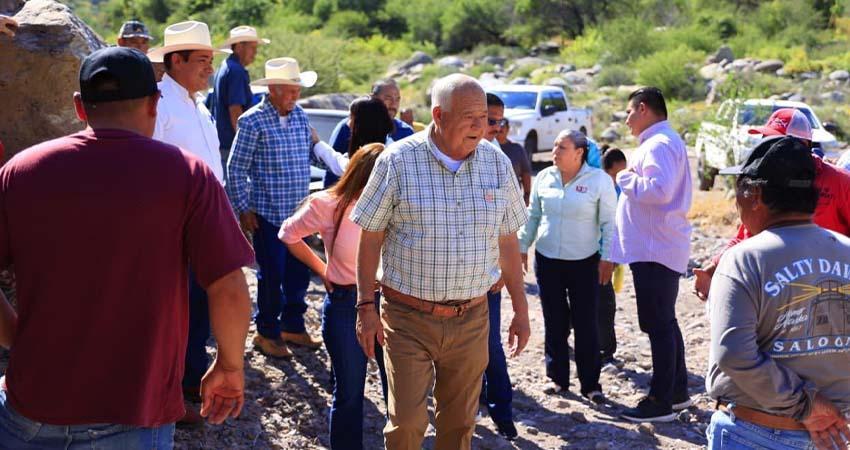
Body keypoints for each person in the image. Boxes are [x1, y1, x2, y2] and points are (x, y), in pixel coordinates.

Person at [0, 47, 254, 448]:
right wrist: (230, 365)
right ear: (155, 104)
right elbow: (228, 286)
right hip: (136, 413)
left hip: (32, 408)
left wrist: (20, 340)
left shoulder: (21, 171)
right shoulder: (188, 175)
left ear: (80, 108)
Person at [352, 74, 530, 450]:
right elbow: (369, 239)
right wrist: (365, 306)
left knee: (460, 423)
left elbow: (508, 241)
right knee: (408, 423)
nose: (480, 126)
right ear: (439, 115)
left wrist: (521, 309)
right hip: (407, 318)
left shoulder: (496, 163)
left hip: (472, 319)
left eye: (485, 118)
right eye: (470, 117)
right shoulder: (398, 162)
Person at [706, 136, 850, 450]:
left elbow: (734, 354)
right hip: (835, 437)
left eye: (738, 190)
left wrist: (807, 406)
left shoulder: (745, 258)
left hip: (755, 434)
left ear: (754, 193)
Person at [280, 143, 390, 450]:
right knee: (350, 394)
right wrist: (323, 268)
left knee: (399, 392)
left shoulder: (399, 204)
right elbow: (288, 234)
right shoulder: (328, 204)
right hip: (346, 305)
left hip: (393, 305)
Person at [148, 20, 230, 426]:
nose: (209, 69)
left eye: (211, 61)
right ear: (175, 61)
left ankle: (187, 390)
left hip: (202, 227)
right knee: (178, 314)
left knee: (198, 312)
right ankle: (173, 396)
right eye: (202, 60)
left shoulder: (197, 105)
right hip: (176, 230)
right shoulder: (159, 102)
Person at [693, 108, 850, 301]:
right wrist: (713, 268)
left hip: (831, 292)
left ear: (802, 144)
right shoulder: (767, 183)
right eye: (766, 140)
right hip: (781, 290)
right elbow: (746, 235)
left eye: (776, 141)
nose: (767, 146)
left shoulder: (840, 182)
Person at [227, 57, 322, 358]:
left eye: (297, 89)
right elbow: (235, 168)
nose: (296, 95)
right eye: (290, 90)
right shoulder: (252, 120)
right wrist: (243, 208)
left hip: (300, 214)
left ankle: (292, 325)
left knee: (298, 274)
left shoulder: (301, 117)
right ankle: (266, 331)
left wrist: (344, 163)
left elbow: (311, 156)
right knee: (272, 275)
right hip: (268, 215)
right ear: (272, 90)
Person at [612, 87, 693, 422]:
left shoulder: (659, 144)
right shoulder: (660, 141)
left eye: (629, 112)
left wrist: (624, 178)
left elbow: (659, 191)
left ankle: (660, 402)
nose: (627, 119)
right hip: (655, 246)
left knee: (658, 324)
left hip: (655, 248)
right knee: (664, 322)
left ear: (643, 109)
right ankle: (677, 393)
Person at [518, 130, 616, 404]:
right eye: (555, 146)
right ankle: (557, 378)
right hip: (548, 260)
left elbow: (610, 222)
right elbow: (533, 215)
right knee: (554, 320)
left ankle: (591, 385)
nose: (555, 151)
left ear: (579, 153)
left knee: (586, 323)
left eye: (562, 147)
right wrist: (522, 246)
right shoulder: (545, 178)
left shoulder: (599, 181)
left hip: (585, 262)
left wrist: (607, 257)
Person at [474, 92, 519, 440]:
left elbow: (508, 232)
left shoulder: (499, 161)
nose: (494, 128)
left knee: (491, 348)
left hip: (488, 281)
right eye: (490, 120)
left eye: (499, 122)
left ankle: (503, 414)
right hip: (449, 282)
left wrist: (506, 273)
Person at [324, 79, 415, 186]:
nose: (393, 104)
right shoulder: (349, 126)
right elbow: (335, 169)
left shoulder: (405, 132)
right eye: (388, 98)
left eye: (397, 99)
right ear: (373, 98)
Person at [208, 26, 269, 166]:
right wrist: (244, 146)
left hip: (224, 144)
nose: (255, 53)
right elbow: (235, 111)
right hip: (231, 146)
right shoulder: (236, 71)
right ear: (240, 46)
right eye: (252, 48)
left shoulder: (226, 66)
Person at [598, 148, 627, 370]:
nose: (621, 179)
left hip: (610, 254)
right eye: (618, 174)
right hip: (597, 255)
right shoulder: (601, 189)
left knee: (602, 301)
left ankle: (605, 349)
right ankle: (605, 351)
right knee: (604, 303)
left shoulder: (618, 190)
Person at [496, 121, 532, 206]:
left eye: (502, 126)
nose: (500, 128)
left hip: (513, 199)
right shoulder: (485, 148)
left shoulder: (517, 149)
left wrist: (527, 195)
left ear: (508, 129)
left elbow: (525, 173)